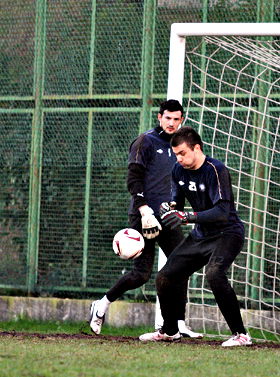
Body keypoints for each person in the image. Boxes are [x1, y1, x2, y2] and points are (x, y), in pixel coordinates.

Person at [89, 100, 202, 339]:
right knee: (141, 274)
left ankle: (178, 323)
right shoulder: (145, 141)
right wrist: (144, 210)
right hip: (144, 217)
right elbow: (133, 179)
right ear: (159, 117)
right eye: (168, 118)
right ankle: (101, 305)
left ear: (181, 119)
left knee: (182, 265)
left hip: (166, 217)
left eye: (176, 119)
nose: (172, 123)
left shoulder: (180, 147)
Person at [139, 126, 250, 347]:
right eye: (176, 154)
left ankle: (241, 335)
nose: (178, 159)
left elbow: (221, 212)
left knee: (214, 274)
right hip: (201, 236)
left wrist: (186, 216)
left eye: (182, 153)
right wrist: (168, 209)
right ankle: (170, 330)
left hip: (227, 233)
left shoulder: (215, 170)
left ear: (196, 148)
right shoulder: (178, 171)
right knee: (164, 277)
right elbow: (176, 203)